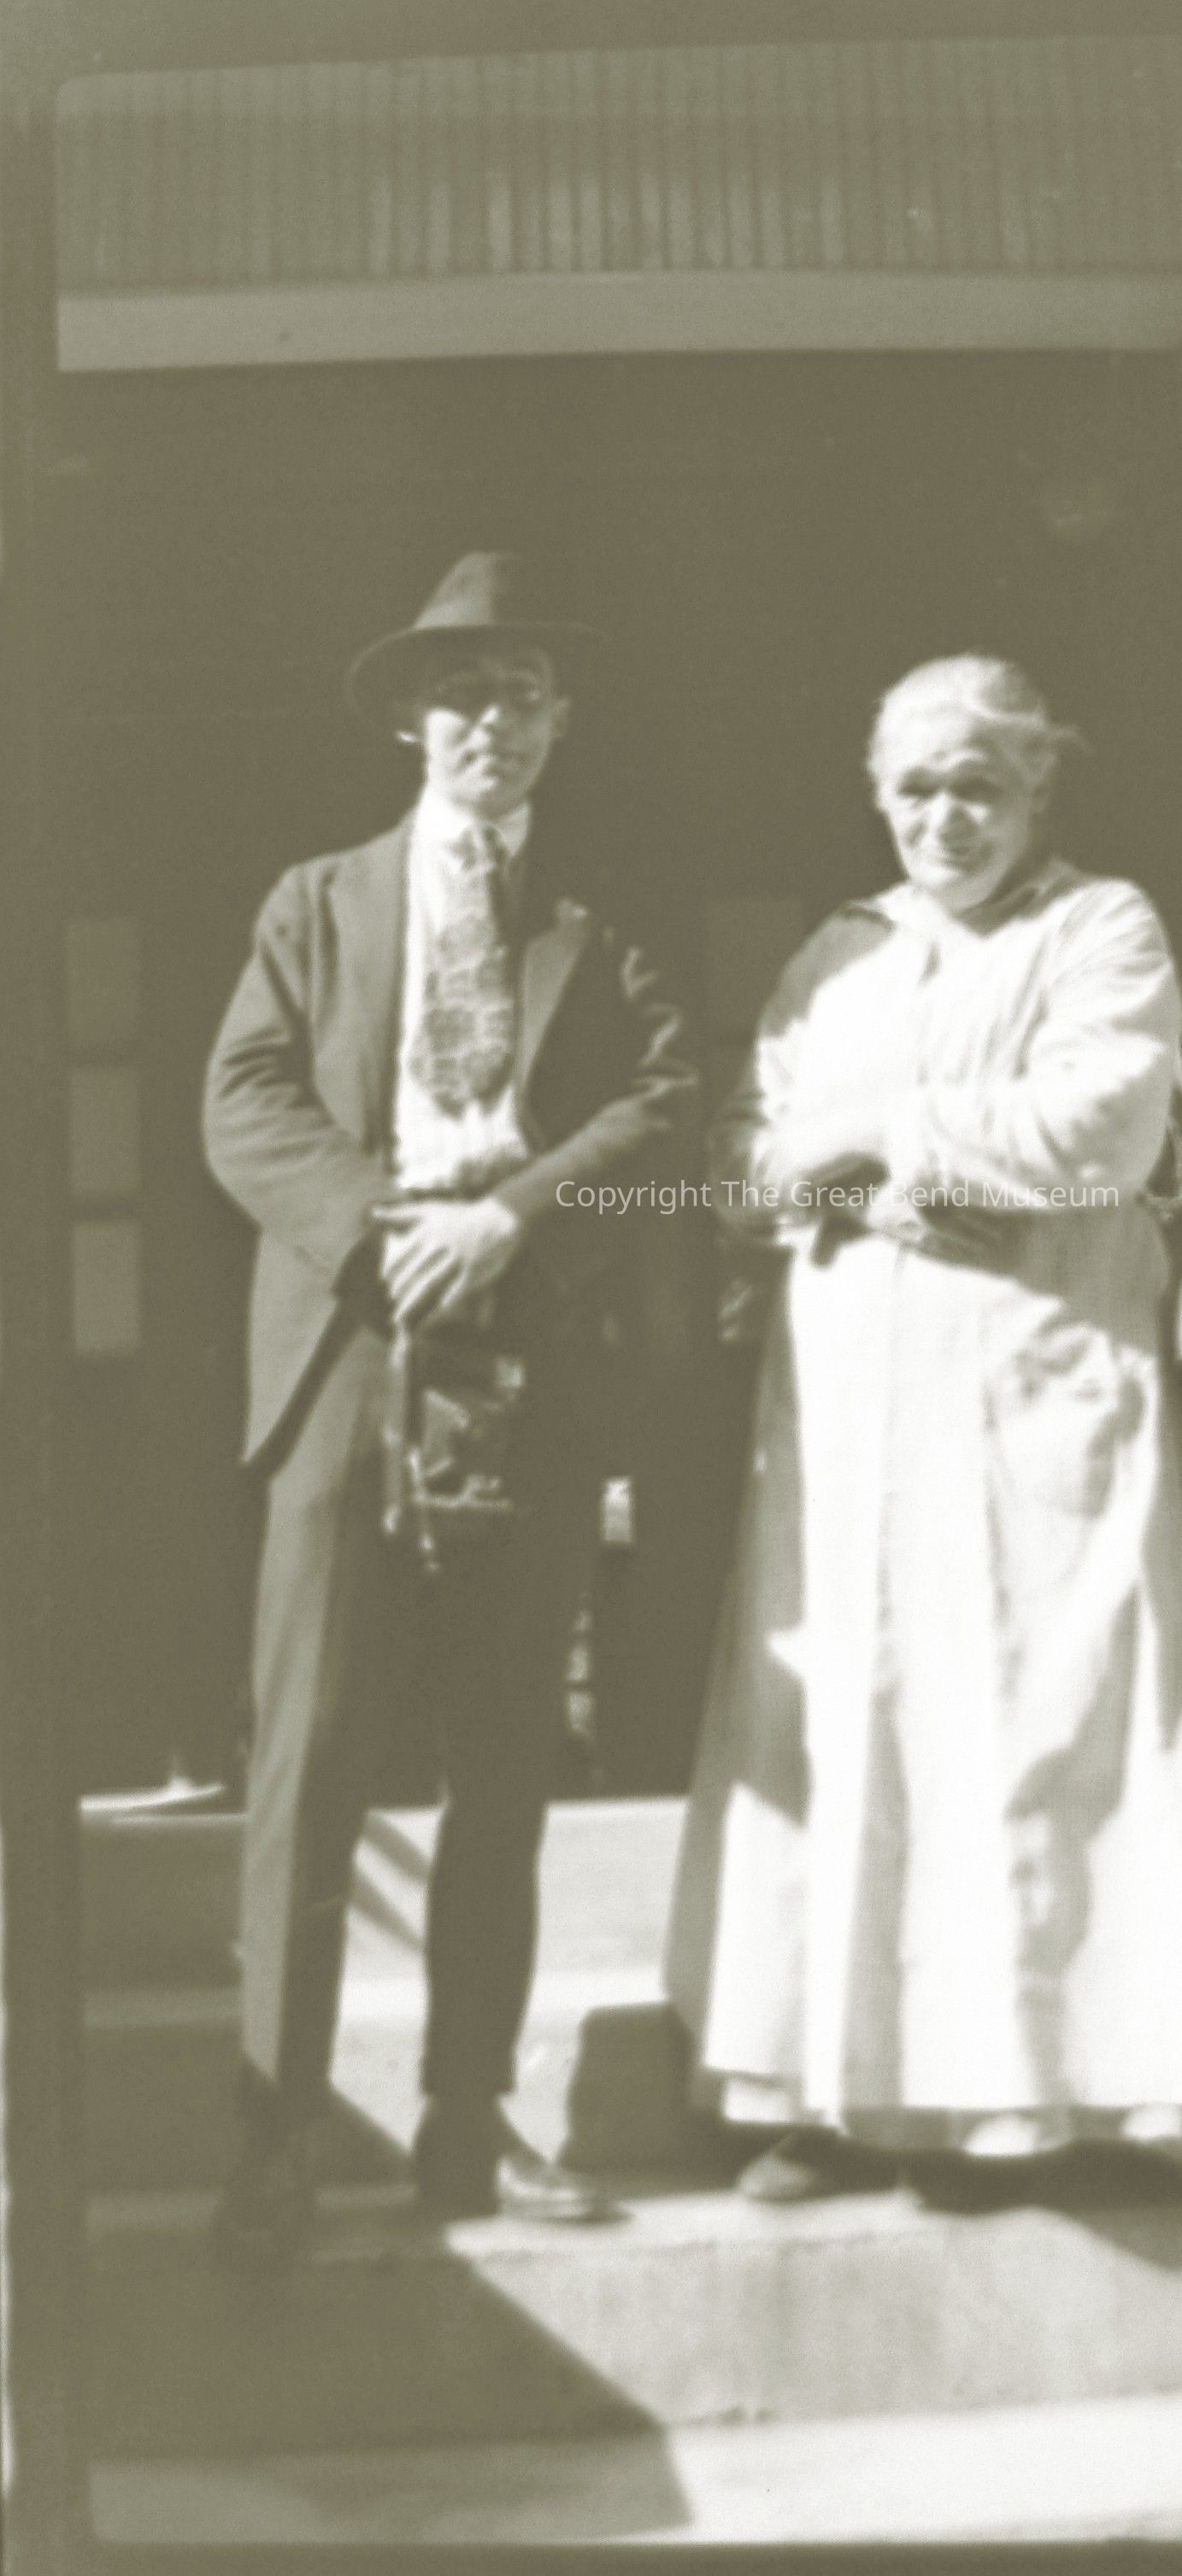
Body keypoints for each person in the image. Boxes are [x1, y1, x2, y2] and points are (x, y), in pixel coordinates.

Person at [665, 654, 1182, 2203]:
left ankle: (1048, 2106)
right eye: (917, 788)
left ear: (1038, 787)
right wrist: (876, 1187)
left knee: (1030, 1726)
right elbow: (736, 1164)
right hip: (852, 1416)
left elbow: (1102, 1129)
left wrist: (871, 1133)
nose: (947, 817)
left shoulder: (1099, 927)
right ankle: (834, 2094)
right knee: (856, 1730)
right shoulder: (835, 959)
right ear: (880, 798)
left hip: (1033, 1390)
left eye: (980, 785)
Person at [203, 553, 697, 2268]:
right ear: (413, 721)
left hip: (528, 1360)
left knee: (503, 1763)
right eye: (463, 695)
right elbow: (242, 1101)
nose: (494, 722)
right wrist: (381, 1230)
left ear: (560, 722)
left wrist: (514, 1222)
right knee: (308, 1762)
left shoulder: (601, 915)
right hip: (350, 1352)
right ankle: (277, 2136)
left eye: (524, 695)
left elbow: (667, 1106)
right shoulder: (317, 903)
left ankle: (466, 2124)